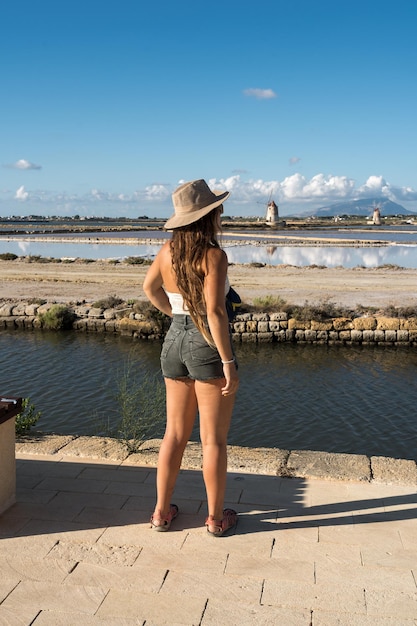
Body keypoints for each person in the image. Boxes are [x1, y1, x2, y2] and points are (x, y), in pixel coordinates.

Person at [143, 179, 239, 536]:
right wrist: (228, 363)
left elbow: (148, 289)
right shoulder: (214, 255)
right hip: (205, 343)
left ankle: (160, 513)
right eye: (218, 210)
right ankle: (215, 519)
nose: (221, 215)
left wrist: (175, 315)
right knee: (212, 439)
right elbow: (215, 312)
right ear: (208, 215)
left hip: (174, 341)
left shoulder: (167, 251)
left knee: (174, 435)